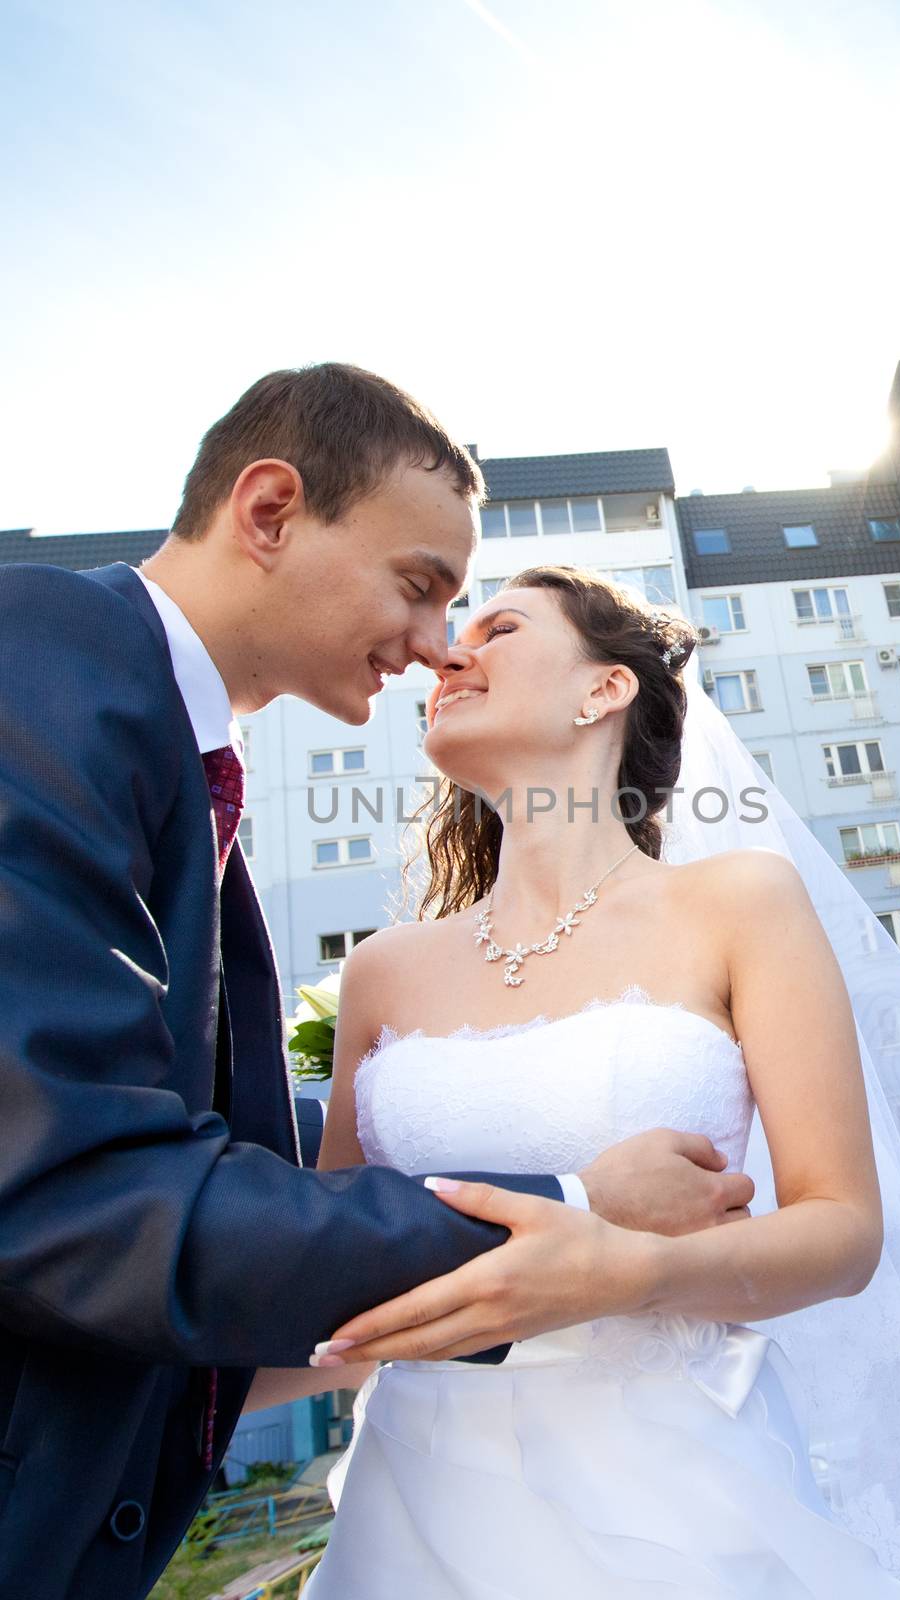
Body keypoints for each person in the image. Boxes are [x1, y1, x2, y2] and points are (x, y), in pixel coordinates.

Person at [0, 366, 752, 1600]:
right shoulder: (40, 669)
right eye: (420, 587)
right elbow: (77, 1189)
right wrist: (572, 1198)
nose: (434, 647)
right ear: (269, 510)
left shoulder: (182, 777)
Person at [291, 566, 900, 1599]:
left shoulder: (738, 901)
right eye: (448, 634)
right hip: (420, 1501)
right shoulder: (384, 967)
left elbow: (840, 1230)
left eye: (499, 626)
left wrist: (626, 1270)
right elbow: (324, 1272)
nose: (444, 651)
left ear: (602, 690)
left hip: (680, 1494)